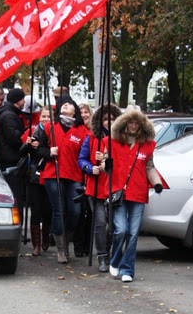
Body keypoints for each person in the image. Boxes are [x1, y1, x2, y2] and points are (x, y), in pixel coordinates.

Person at [101, 105, 163, 283]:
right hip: (118, 191)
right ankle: (115, 260)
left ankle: (127, 269)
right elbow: (104, 163)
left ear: (142, 124)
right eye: (130, 122)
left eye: (137, 123)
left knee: (134, 233)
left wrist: (157, 183)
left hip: (138, 191)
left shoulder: (147, 145)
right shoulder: (111, 141)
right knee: (121, 230)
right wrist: (106, 165)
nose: (133, 126)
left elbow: (149, 167)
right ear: (124, 123)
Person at [38, 95, 87, 264]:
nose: (65, 105)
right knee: (58, 210)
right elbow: (39, 149)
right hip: (53, 174)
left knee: (75, 212)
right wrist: (48, 152)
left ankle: (66, 240)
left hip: (74, 175)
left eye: (69, 103)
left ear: (75, 110)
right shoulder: (49, 127)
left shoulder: (83, 131)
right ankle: (60, 249)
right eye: (63, 103)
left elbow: (85, 154)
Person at [78, 103, 122, 271]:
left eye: (112, 119)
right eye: (105, 119)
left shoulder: (120, 139)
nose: (109, 122)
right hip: (95, 185)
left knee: (113, 225)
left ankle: (108, 251)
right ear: (100, 121)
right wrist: (90, 168)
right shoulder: (91, 137)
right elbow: (81, 159)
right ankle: (102, 256)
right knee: (100, 223)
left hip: (114, 186)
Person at [19, 106, 52, 256]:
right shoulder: (32, 131)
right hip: (34, 175)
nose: (45, 119)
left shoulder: (54, 132)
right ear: (39, 117)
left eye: (48, 117)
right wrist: (27, 144)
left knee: (47, 210)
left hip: (49, 175)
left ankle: (46, 238)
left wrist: (41, 147)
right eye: (43, 116)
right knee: (35, 210)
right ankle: (36, 244)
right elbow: (21, 152)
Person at [0, 87, 27, 220]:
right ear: (17, 100)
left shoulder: (9, 113)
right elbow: (15, 139)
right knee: (15, 195)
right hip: (10, 160)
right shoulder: (9, 115)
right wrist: (26, 139)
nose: (24, 102)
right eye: (23, 99)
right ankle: (17, 222)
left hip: (8, 158)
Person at [72, 103, 94, 257]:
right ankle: (78, 245)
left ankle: (88, 245)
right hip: (78, 174)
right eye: (81, 112)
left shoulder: (94, 132)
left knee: (91, 214)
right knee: (79, 213)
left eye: (86, 112)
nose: (84, 115)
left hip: (91, 175)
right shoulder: (76, 130)